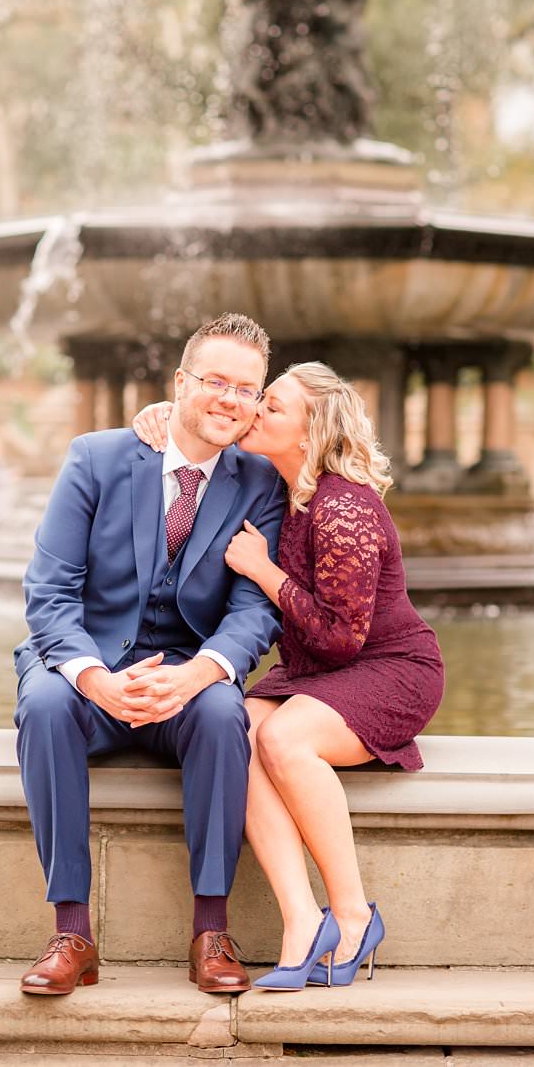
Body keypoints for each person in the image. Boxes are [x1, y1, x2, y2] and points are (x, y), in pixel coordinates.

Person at [132, 362, 443, 989]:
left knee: (282, 738)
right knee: (235, 724)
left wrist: (261, 570)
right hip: (323, 676)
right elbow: (197, 431)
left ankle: (354, 915)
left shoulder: (342, 507)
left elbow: (340, 639)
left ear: (309, 431)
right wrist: (159, 417)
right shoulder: (288, 494)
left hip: (389, 670)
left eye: (270, 406)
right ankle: (302, 918)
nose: (252, 411)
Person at [13, 313, 286, 997]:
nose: (229, 398)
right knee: (45, 702)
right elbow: (49, 591)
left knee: (228, 711)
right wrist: (97, 681)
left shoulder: (261, 483)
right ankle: (71, 929)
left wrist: (198, 672)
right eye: (214, 381)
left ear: (256, 403)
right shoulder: (96, 458)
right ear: (180, 383)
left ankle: (211, 930)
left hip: (186, 678)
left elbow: (256, 608)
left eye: (246, 388)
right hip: (91, 668)